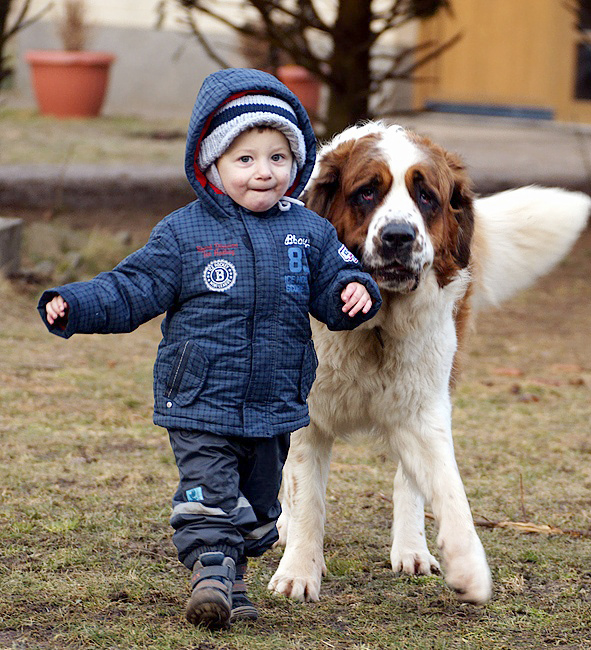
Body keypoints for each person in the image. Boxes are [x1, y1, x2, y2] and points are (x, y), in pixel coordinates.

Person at [37, 68, 382, 630]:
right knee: (211, 498)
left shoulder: (310, 234)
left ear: (296, 162)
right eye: (245, 159)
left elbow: (336, 285)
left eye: (277, 157)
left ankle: (231, 578)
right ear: (213, 165)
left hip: (275, 401)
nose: (263, 172)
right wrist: (75, 305)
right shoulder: (184, 234)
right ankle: (210, 576)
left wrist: (353, 293)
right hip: (199, 398)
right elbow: (131, 288)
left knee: (260, 511)